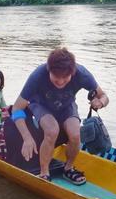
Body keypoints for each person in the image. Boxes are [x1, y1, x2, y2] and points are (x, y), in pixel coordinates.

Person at [11, 47, 108, 184]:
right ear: (49, 70)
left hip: (67, 106)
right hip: (40, 104)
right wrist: (27, 138)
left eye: (65, 78)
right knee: (52, 130)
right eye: (56, 78)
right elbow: (16, 108)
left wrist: (100, 102)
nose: (61, 82)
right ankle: (44, 173)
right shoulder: (37, 76)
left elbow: (104, 96)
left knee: (75, 135)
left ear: (72, 72)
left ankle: (68, 168)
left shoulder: (82, 73)